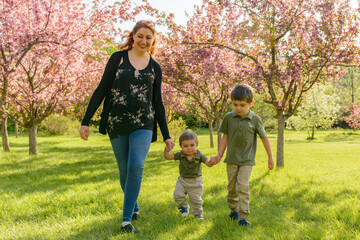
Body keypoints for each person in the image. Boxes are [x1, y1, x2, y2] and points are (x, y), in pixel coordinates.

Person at [79, 20, 175, 234]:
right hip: (117, 121)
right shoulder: (118, 59)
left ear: (153, 40)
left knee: (136, 166)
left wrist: (167, 135)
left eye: (148, 37)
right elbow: (102, 89)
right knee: (124, 170)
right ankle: (135, 207)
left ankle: (125, 221)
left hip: (144, 122)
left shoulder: (154, 66)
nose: (144, 41)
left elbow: (158, 102)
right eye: (140, 36)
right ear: (133, 36)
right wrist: (86, 121)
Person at [210, 84, 274, 227]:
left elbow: (264, 138)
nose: (238, 108)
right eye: (235, 104)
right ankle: (234, 210)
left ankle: (243, 216)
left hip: (247, 160)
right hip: (231, 159)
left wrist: (270, 157)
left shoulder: (255, 120)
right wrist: (219, 155)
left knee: (242, 186)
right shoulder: (228, 117)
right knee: (232, 187)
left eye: (242, 105)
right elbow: (225, 137)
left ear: (251, 103)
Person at [164, 129, 213, 220]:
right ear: (181, 146)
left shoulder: (199, 155)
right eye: (185, 146)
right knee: (177, 195)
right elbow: (168, 157)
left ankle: (198, 213)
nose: (189, 148)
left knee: (196, 200)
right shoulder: (180, 154)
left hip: (196, 182)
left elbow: (208, 163)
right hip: (182, 180)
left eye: (192, 145)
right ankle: (184, 207)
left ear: (196, 145)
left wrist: (212, 162)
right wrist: (166, 150)